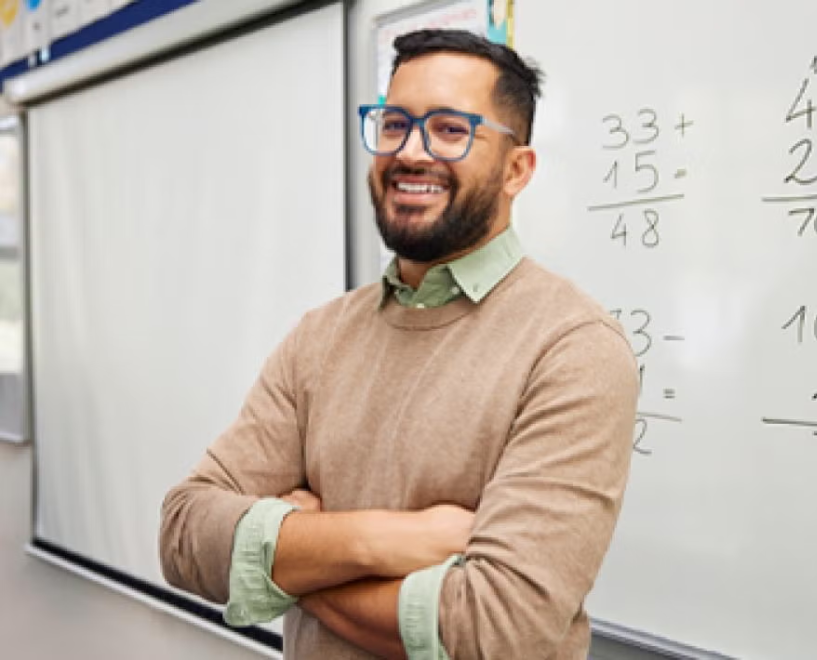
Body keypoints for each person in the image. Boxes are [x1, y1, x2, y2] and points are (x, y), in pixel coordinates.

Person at [160, 28, 638, 660]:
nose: (410, 152)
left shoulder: (573, 348)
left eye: (449, 129)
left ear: (516, 169)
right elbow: (186, 532)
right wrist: (381, 541)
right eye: (393, 125)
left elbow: (497, 628)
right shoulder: (321, 337)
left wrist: (287, 557)